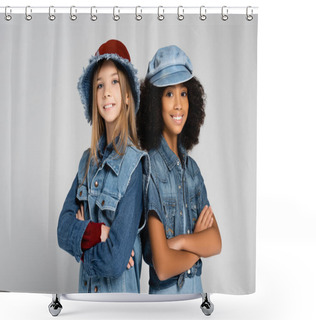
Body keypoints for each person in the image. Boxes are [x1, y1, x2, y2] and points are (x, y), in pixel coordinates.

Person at [57, 39, 149, 293]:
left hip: (119, 304)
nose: (106, 92)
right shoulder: (87, 162)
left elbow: (116, 260)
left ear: (128, 96)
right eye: (100, 85)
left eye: (114, 82)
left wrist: (82, 242)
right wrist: (99, 232)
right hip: (86, 299)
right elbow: (62, 229)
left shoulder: (135, 165)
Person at [137, 45, 222, 294]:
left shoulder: (192, 170)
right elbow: (162, 266)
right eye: (169, 94)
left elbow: (216, 242)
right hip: (165, 298)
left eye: (183, 93)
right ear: (154, 103)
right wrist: (197, 248)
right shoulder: (150, 168)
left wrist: (181, 241)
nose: (178, 105)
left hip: (198, 292)